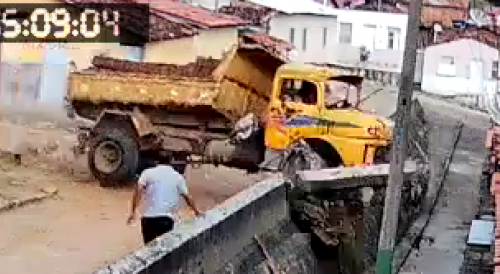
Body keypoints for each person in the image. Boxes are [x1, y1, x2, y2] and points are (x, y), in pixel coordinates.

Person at [126, 156, 203, 244]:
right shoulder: (177, 176)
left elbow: (138, 190)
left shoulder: (147, 173)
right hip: (166, 220)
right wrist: (197, 212)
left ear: (157, 162)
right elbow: (187, 197)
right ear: (171, 161)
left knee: (150, 251)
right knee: (165, 250)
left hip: (148, 219)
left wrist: (133, 211)